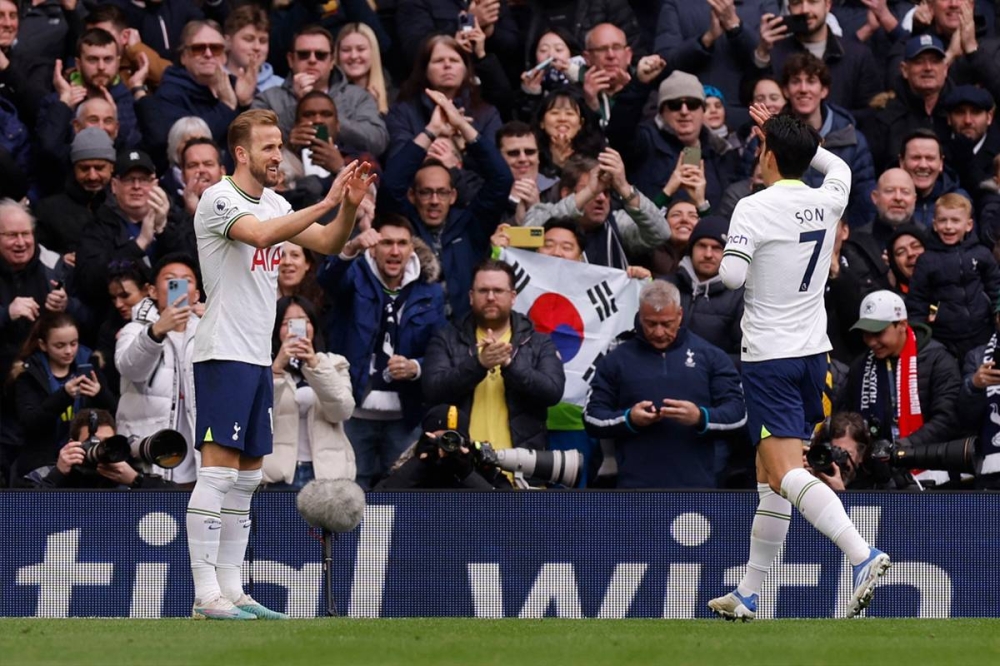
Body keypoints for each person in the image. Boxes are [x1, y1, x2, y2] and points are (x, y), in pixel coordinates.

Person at [184, 108, 374, 621]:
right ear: (241, 153)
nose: (278, 156)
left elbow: (328, 242)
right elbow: (262, 236)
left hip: (256, 358)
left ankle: (233, 590)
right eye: (268, 147)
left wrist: (347, 207)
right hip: (222, 350)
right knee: (217, 474)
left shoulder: (275, 203)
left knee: (247, 480)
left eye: (279, 146)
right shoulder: (219, 198)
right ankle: (205, 595)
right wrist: (326, 201)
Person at [711, 107, 889, 621]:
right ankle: (749, 592)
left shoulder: (752, 207)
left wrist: (738, 253)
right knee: (769, 477)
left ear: (767, 153)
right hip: (814, 355)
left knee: (787, 471)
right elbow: (839, 167)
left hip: (770, 358)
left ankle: (862, 554)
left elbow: (731, 277)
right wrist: (794, 135)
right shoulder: (829, 197)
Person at [318, 214, 446, 488]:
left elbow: (440, 350)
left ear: (412, 249)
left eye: (402, 243)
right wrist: (351, 246)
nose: (395, 251)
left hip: (405, 416)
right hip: (353, 413)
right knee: (348, 492)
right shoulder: (355, 275)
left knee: (403, 492)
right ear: (373, 248)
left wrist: (416, 367)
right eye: (387, 243)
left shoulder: (431, 292)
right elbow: (327, 278)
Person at [583, 280, 746, 488]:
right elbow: (592, 417)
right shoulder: (616, 359)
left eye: (666, 324)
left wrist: (700, 417)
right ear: (640, 315)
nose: (659, 332)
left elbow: (738, 414)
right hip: (634, 488)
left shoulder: (710, 356)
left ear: (679, 315)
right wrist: (629, 419)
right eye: (651, 323)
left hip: (696, 488)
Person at [381, 87, 512, 320]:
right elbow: (391, 184)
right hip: (413, 331)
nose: (434, 201)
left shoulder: (471, 225)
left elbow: (501, 179)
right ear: (412, 195)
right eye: (426, 193)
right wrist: (431, 131)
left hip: (465, 331)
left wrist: (461, 125)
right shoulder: (403, 223)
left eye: (441, 193)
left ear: (453, 196)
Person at [422, 260, 565, 453]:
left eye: (498, 290)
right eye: (483, 291)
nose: (490, 297)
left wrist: (509, 365)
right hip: (462, 458)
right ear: (471, 296)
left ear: (513, 297)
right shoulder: (446, 338)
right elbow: (432, 390)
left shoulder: (539, 341)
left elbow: (552, 392)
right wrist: (479, 364)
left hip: (521, 461)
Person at [841, 290, 961, 483]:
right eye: (866, 334)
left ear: (902, 325)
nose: (871, 342)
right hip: (878, 478)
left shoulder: (938, 360)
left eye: (878, 333)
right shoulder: (860, 366)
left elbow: (948, 418)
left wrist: (904, 446)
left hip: (934, 475)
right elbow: (847, 416)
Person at [115, 254, 202, 486]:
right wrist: (156, 331)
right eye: (171, 279)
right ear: (152, 291)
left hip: (198, 461)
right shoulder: (134, 330)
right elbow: (130, 369)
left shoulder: (208, 332)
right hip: (151, 454)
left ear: (196, 295)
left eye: (187, 280)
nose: (179, 285)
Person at [607, 69, 740, 211]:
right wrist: (639, 85)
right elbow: (619, 130)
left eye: (692, 104)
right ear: (662, 112)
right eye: (675, 105)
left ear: (702, 111)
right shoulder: (644, 142)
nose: (684, 111)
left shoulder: (721, 151)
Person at [9, 312, 116, 485]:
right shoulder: (29, 374)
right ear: (43, 345)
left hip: (86, 464)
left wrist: (99, 394)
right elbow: (30, 422)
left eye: (74, 343)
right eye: (60, 345)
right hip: (44, 465)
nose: (68, 351)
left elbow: (112, 413)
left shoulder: (90, 366)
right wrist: (64, 396)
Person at [252, 25, 388, 156]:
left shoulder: (358, 97)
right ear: (291, 60)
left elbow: (378, 142)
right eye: (304, 54)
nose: (312, 60)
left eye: (320, 55)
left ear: (332, 61)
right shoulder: (268, 98)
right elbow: (252, 141)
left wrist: (330, 117)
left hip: (344, 169)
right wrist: (297, 109)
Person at [522, 152, 670, 272]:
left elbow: (661, 232)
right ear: (566, 194)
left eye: (605, 192)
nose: (601, 198)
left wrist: (624, 187)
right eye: (592, 191)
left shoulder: (618, 224)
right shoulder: (542, 213)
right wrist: (590, 191)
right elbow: (524, 238)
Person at [264, 296, 355, 489]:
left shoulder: (335, 364)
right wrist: (276, 369)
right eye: (287, 323)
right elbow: (259, 419)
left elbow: (342, 411)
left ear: (313, 326)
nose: (296, 329)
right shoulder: (263, 367)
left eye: (303, 321)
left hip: (327, 474)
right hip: (278, 475)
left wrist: (316, 366)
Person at [906, 193, 1000, 359]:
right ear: (935, 225)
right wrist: (919, 334)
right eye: (943, 220)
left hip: (983, 332)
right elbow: (917, 300)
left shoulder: (982, 254)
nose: (948, 226)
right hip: (945, 337)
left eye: (955, 221)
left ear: (969, 225)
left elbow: (995, 287)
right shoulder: (926, 260)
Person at [751, 0, 882, 119]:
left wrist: (834, 124)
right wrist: (762, 53)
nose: (805, 9)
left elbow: (870, 112)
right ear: (789, 9)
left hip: (845, 135)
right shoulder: (776, 53)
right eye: (797, 3)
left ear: (827, 5)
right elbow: (755, 100)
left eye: (813, 2)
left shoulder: (857, 55)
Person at [0, 200, 84, 383]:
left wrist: (67, 305)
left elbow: (90, 316)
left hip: (47, 378)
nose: (21, 243)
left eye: (26, 234)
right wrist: (6, 314)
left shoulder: (57, 267)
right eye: (12, 235)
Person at [27, 408, 179, 489]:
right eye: (93, 443)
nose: (102, 450)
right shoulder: (45, 475)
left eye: (108, 443)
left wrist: (136, 480)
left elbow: (178, 502)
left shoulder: (125, 475)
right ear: (72, 444)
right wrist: (57, 475)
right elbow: (25, 516)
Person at [665, 216, 744, 365]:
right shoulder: (667, 286)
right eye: (702, 246)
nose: (708, 254)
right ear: (691, 249)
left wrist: (704, 366)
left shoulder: (740, 296)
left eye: (716, 248)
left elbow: (743, 355)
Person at [375, 403, 511, 490]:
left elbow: (508, 511)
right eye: (440, 439)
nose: (447, 446)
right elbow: (377, 506)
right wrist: (420, 462)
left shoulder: (478, 463)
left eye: (454, 440)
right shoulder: (411, 461)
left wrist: (467, 473)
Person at [33, 127, 115, 263]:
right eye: (84, 168)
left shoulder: (124, 205)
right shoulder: (47, 210)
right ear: (74, 167)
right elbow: (35, 254)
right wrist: (60, 260)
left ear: (112, 167)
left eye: (99, 168)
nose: (92, 176)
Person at [898, 129, 970, 228]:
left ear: (941, 163)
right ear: (902, 162)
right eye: (916, 158)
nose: (923, 165)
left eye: (930, 158)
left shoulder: (960, 198)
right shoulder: (886, 199)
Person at [496, 121, 559, 225]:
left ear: (538, 156)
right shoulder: (485, 193)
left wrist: (537, 211)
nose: (523, 158)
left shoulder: (557, 189)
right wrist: (516, 221)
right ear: (498, 157)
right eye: (513, 153)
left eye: (530, 152)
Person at [223, 5, 283, 94]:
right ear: (228, 42)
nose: (257, 47)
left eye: (263, 41)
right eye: (248, 39)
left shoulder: (281, 87)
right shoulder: (212, 81)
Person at [334, 22, 391, 115]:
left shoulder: (395, 97)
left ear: (373, 52)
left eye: (361, 49)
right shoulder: (326, 95)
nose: (353, 56)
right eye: (346, 50)